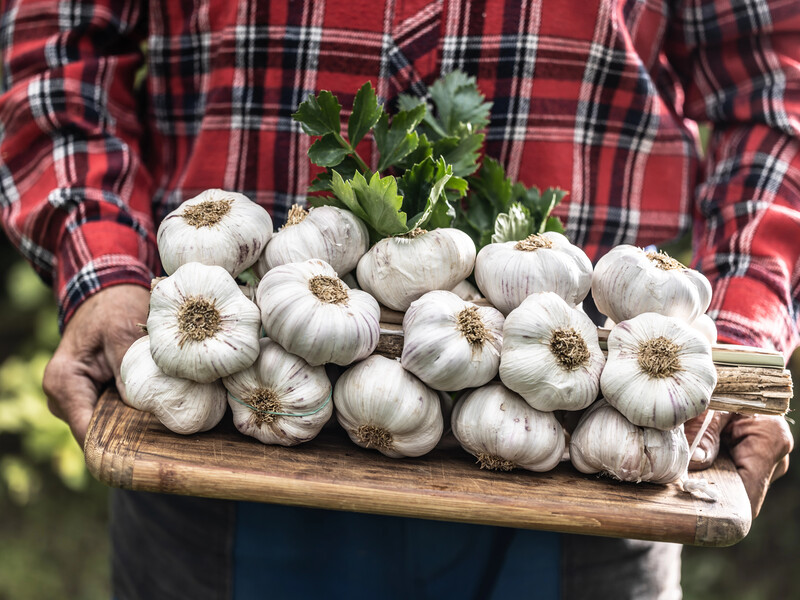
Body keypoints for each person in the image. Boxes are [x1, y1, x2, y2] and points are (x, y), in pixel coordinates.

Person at [0, 0, 795, 598]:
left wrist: (739, 330)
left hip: (590, 449)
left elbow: (776, 86)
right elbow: (57, 42)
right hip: (225, 424)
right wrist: (100, 264)